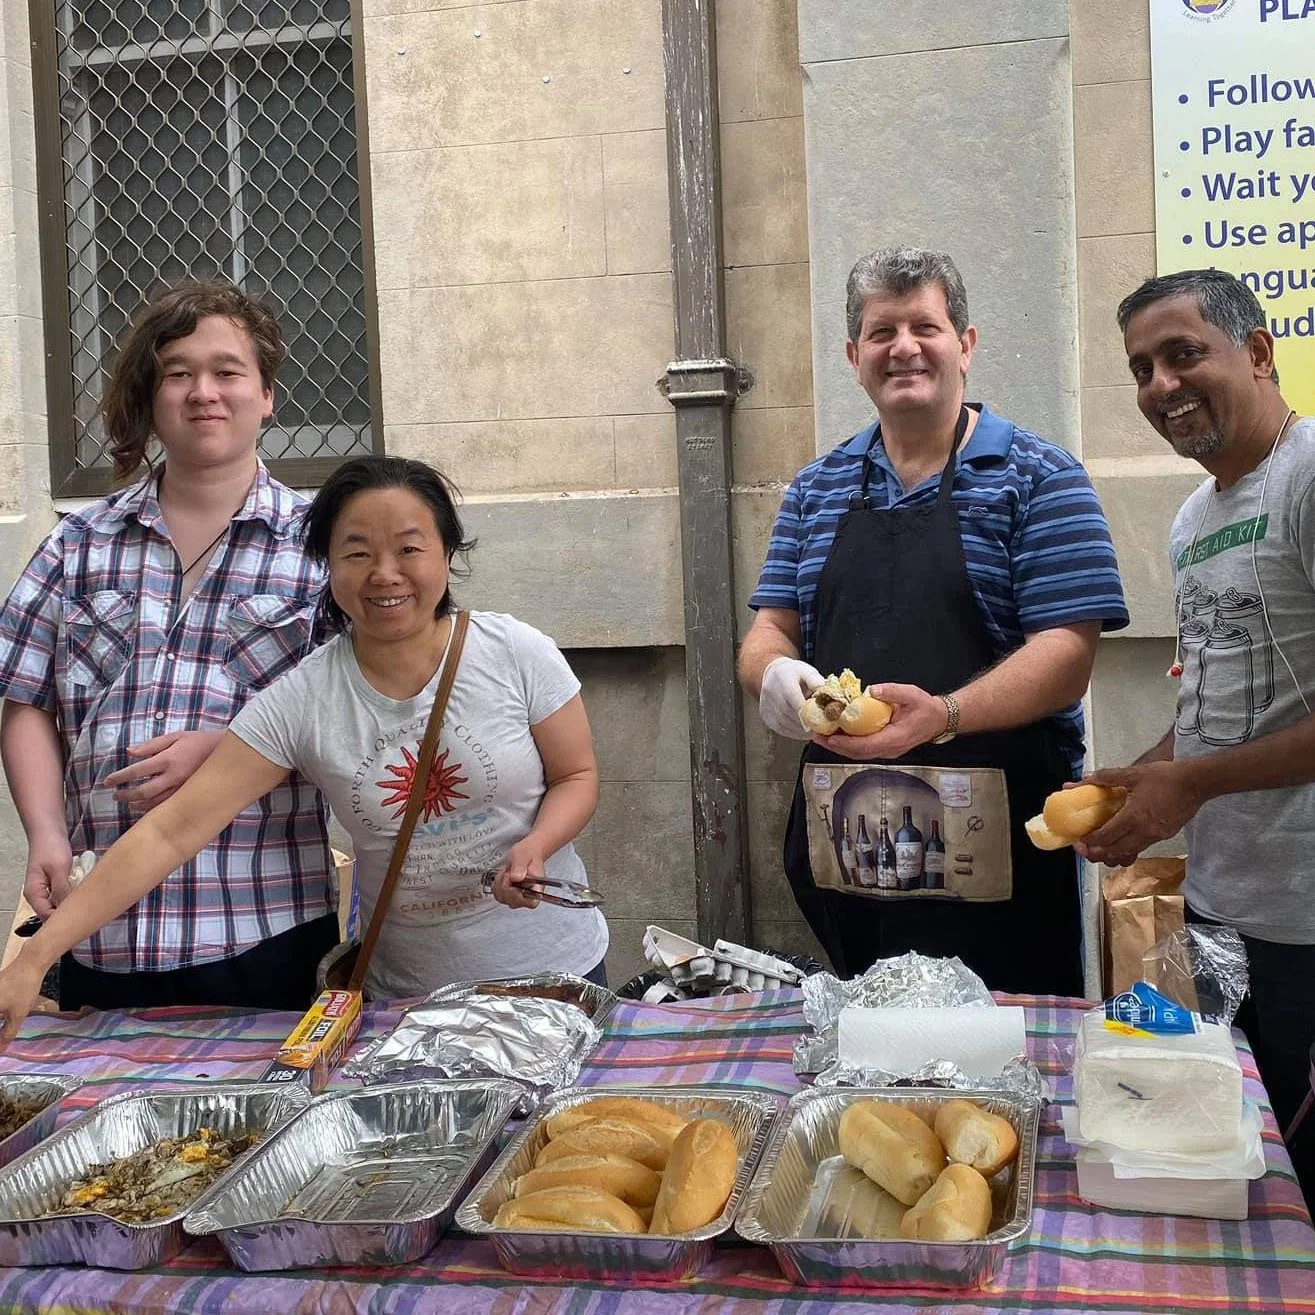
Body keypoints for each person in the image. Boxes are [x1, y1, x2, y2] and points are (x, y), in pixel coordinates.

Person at [0, 454, 606, 1034]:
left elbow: (576, 776)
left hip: (552, 974)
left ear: (448, 553)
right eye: (357, 552)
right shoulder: (304, 696)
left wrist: (538, 845)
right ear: (326, 564)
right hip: (407, 998)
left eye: (409, 548)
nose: (385, 573)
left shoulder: (515, 653)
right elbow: (171, 831)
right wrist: (34, 958)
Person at [737, 246, 1128, 994]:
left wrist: (943, 714)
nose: (904, 347)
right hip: (850, 852)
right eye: (882, 332)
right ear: (855, 357)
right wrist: (777, 674)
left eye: (925, 325)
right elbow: (768, 631)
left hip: (998, 865)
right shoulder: (815, 489)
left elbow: (1065, 654)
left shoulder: (1039, 478)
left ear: (965, 345)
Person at [0, 280, 337, 1012]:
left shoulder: (323, 549)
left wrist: (232, 749)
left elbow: (360, 720)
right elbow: (26, 698)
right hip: (98, 929)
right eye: (178, 373)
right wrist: (44, 833)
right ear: (152, 396)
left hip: (262, 924)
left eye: (226, 371)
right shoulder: (77, 542)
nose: (202, 392)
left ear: (267, 394)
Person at [1078, 267, 1315, 1206]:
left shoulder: (1306, 476)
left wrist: (1193, 785)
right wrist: (1148, 773)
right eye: (1141, 368)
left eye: (1183, 354)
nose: (1159, 386)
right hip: (1220, 912)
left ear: (1256, 353)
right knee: (1206, 1148)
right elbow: (1224, 693)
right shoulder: (1191, 518)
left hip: (1305, 923)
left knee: (1300, 1182)